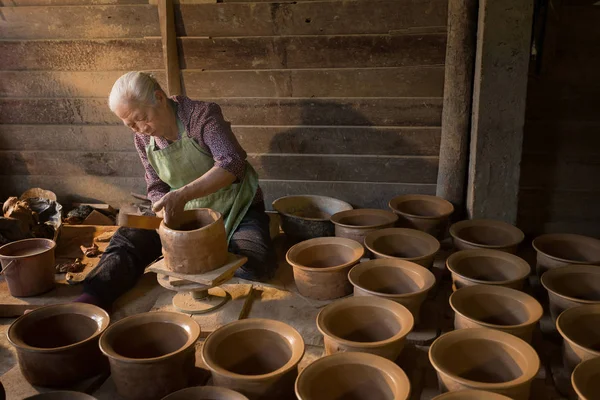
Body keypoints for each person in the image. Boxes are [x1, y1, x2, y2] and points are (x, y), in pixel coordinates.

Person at [75, 71, 276, 310]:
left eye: (141, 118)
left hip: (236, 206)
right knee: (128, 239)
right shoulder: (142, 139)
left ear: (159, 98)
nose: (140, 129)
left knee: (255, 262)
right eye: (130, 125)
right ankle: (88, 302)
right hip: (184, 211)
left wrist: (181, 195)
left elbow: (232, 163)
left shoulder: (201, 116)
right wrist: (163, 212)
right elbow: (156, 187)